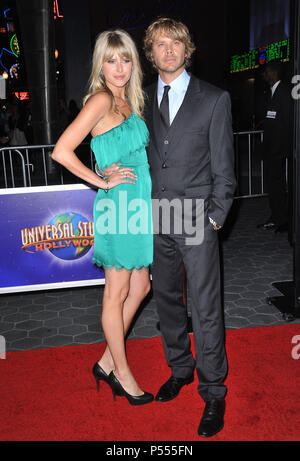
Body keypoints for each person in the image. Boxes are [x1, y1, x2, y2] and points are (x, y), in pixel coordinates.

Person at [143, 17, 236, 437]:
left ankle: (213, 388)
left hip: (198, 219)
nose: (168, 50)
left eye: (176, 43)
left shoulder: (214, 99)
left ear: (187, 49)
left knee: (205, 306)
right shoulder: (141, 100)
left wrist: (216, 217)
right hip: (156, 218)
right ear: (151, 53)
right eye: (160, 44)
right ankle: (180, 368)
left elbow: (226, 170)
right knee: (166, 303)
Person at [51, 29, 154, 406]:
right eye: (111, 60)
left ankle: (106, 361)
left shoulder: (129, 99)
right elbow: (62, 151)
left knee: (141, 287)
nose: (120, 67)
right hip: (118, 206)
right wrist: (101, 181)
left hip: (138, 205)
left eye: (125, 58)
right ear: (100, 64)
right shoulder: (101, 99)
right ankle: (121, 373)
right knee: (118, 292)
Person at [257, 60, 292, 232]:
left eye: (266, 71)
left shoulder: (284, 92)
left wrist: (282, 149)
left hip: (278, 151)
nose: (264, 75)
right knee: (273, 186)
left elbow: (287, 123)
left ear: (273, 73)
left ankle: (282, 220)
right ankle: (278, 217)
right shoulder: (272, 93)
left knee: (277, 186)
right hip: (272, 150)